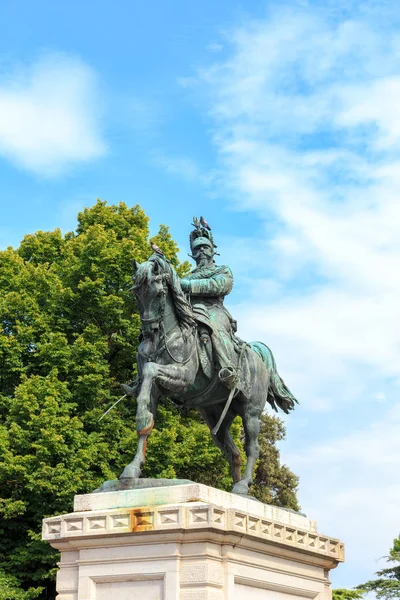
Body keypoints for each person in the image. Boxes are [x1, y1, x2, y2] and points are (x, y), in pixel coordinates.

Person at [180, 218, 238, 389]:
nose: (201, 251)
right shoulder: (186, 276)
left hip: (214, 311)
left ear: (213, 251)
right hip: (190, 312)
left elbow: (219, 285)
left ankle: (227, 368)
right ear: (192, 254)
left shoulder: (222, 270)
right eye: (197, 249)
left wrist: (187, 286)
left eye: (205, 247)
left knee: (214, 330)